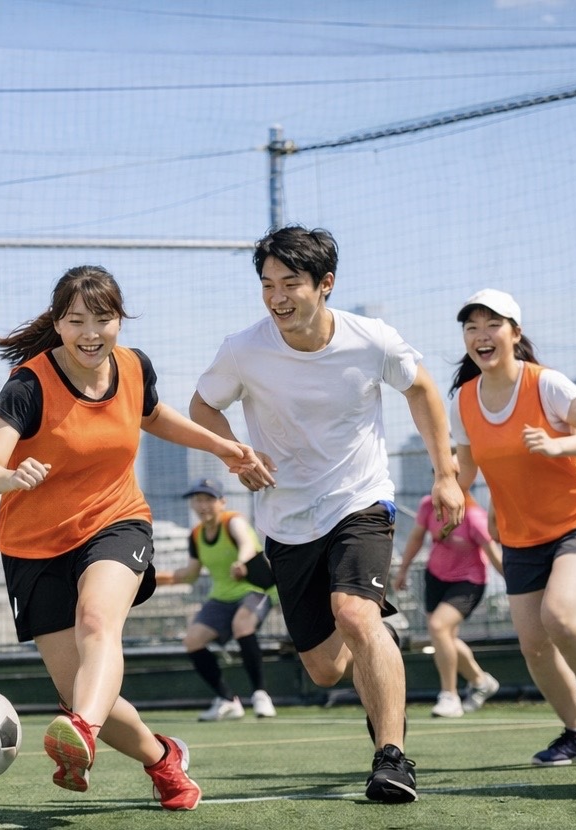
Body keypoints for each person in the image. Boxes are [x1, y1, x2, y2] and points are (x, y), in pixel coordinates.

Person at [0, 265, 272, 811]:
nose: (91, 332)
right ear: (58, 324)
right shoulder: (28, 384)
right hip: (33, 547)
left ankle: (80, 730)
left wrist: (220, 446)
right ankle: (162, 758)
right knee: (78, 688)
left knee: (96, 624)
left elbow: (153, 416)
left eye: (103, 319)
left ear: (119, 321)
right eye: (77, 320)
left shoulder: (132, 367)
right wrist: (11, 476)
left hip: (115, 521)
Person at [190, 225, 463, 804]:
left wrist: (445, 474)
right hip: (287, 521)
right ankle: (375, 637)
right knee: (322, 669)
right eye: (267, 284)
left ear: (326, 284)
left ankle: (391, 759)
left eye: (290, 283)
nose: (277, 297)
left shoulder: (372, 340)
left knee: (356, 614)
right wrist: (235, 452)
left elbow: (423, 391)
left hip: (358, 500)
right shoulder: (243, 348)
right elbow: (201, 406)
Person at [450, 289, 576, 766]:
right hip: (520, 536)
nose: (481, 335)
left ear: (515, 333)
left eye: (492, 324)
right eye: (471, 327)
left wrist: (558, 447)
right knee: (534, 645)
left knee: (560, 615)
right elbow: (466, 472)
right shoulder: (464, 402)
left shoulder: (546, 384)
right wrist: (444, 483)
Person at [156, 476, 278, 722]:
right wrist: (150, 578)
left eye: (208, 499)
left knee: (242, 625)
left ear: (221, 502)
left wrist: (241, 562)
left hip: (256, 590)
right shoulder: (196, 535)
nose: (202, 505)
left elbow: (246, 544)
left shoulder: (233, 521)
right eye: (198, 500)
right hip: (221, 597)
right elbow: (189, 575)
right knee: (192, 640)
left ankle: (260, 695)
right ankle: (227, 700)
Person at [391, 490, 503, 718]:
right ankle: (481, 681)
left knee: (439, 628)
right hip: (436, 576)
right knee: (443, 637)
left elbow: (494, 555)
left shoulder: (474, 517)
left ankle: (449, 696)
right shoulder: (427, 506)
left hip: (468, 582)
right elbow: (416, 537)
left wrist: (522, 587)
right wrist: (403, 570)